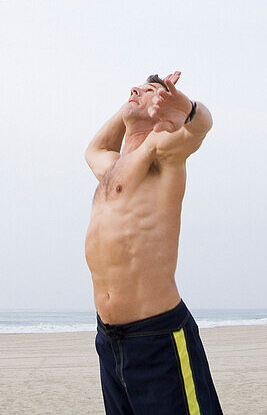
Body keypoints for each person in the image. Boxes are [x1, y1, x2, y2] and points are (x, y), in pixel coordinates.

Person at [85, 71, 223, 415]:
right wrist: (134, 102)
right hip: (111, 341)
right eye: (135, 88)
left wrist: (186, 109)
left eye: (149, 92)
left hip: (157, 338)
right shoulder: (112, 167)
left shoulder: (161, 153)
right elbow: (94, 148)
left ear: (161, 112)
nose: (133, 91)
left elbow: (200, 127)